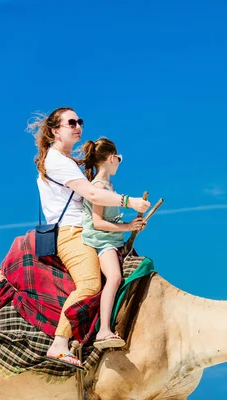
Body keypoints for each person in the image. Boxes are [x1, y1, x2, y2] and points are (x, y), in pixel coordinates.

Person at [29, 107, 150, 369]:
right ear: (55, 130)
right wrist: (128, 201)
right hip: (71, 234)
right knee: (89, 284)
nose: (77, 125)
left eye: (79, 121)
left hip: (84, 231)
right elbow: (93, 196)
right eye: (70, 122)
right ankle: (59, 344)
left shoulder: (66, 161)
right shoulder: (57, 161)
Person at [80, 137, 146, 350]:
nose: (119, 162)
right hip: (103, 243)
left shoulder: (107, 185)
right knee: (115, 277)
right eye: (119, 158)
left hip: (112, 239)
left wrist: (131, 225)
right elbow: (97, 223)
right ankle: (103, 331)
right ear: (111, 158)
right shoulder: (98, 186)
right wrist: (128, 227)